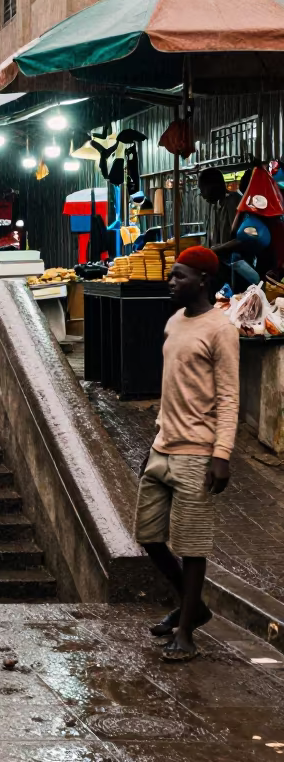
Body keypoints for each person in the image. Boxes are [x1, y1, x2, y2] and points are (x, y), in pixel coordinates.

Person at [136, 246, 237, 662]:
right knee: (148, 536)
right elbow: (170, 388)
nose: (170, 282)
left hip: (198, 451)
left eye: (178, 276)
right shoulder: (174, 321)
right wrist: (153, 440)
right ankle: (193, 607)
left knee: (192, 546)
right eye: (171, 275)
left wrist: (222, 454)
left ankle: (185, 633)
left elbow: (230, 397)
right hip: (163, 446)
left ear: (202, 282)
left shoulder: (221, 329)